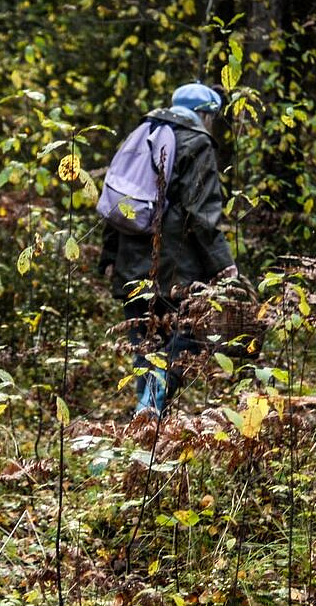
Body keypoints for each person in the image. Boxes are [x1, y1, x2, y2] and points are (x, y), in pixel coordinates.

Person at [97, 82, 240, 421]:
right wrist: (225, 265)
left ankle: (145, 420)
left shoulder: (141, 132)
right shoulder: (198, 142)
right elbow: (201, 213)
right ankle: (149, 411)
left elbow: (120, 198)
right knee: (187, 340)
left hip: (131, 264)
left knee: (144, 344)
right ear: (204, 115)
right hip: (177, 268)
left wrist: (108, 255)